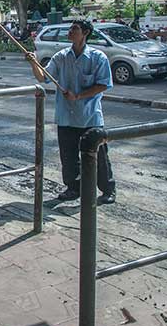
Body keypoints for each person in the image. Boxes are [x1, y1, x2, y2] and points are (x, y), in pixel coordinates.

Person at [25, 19, 116, 205]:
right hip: (66, 116)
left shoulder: (98, 57)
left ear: (85, 33)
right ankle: (73, 188)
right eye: (70, 28)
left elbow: (103, 84)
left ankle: (107, 189)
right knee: (68, 156)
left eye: (75, 29)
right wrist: (34, 63)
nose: (70, 32)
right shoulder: (61, 57)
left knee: (99, 156)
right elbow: (44, 77)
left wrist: (79, 96)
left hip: (89, 116)